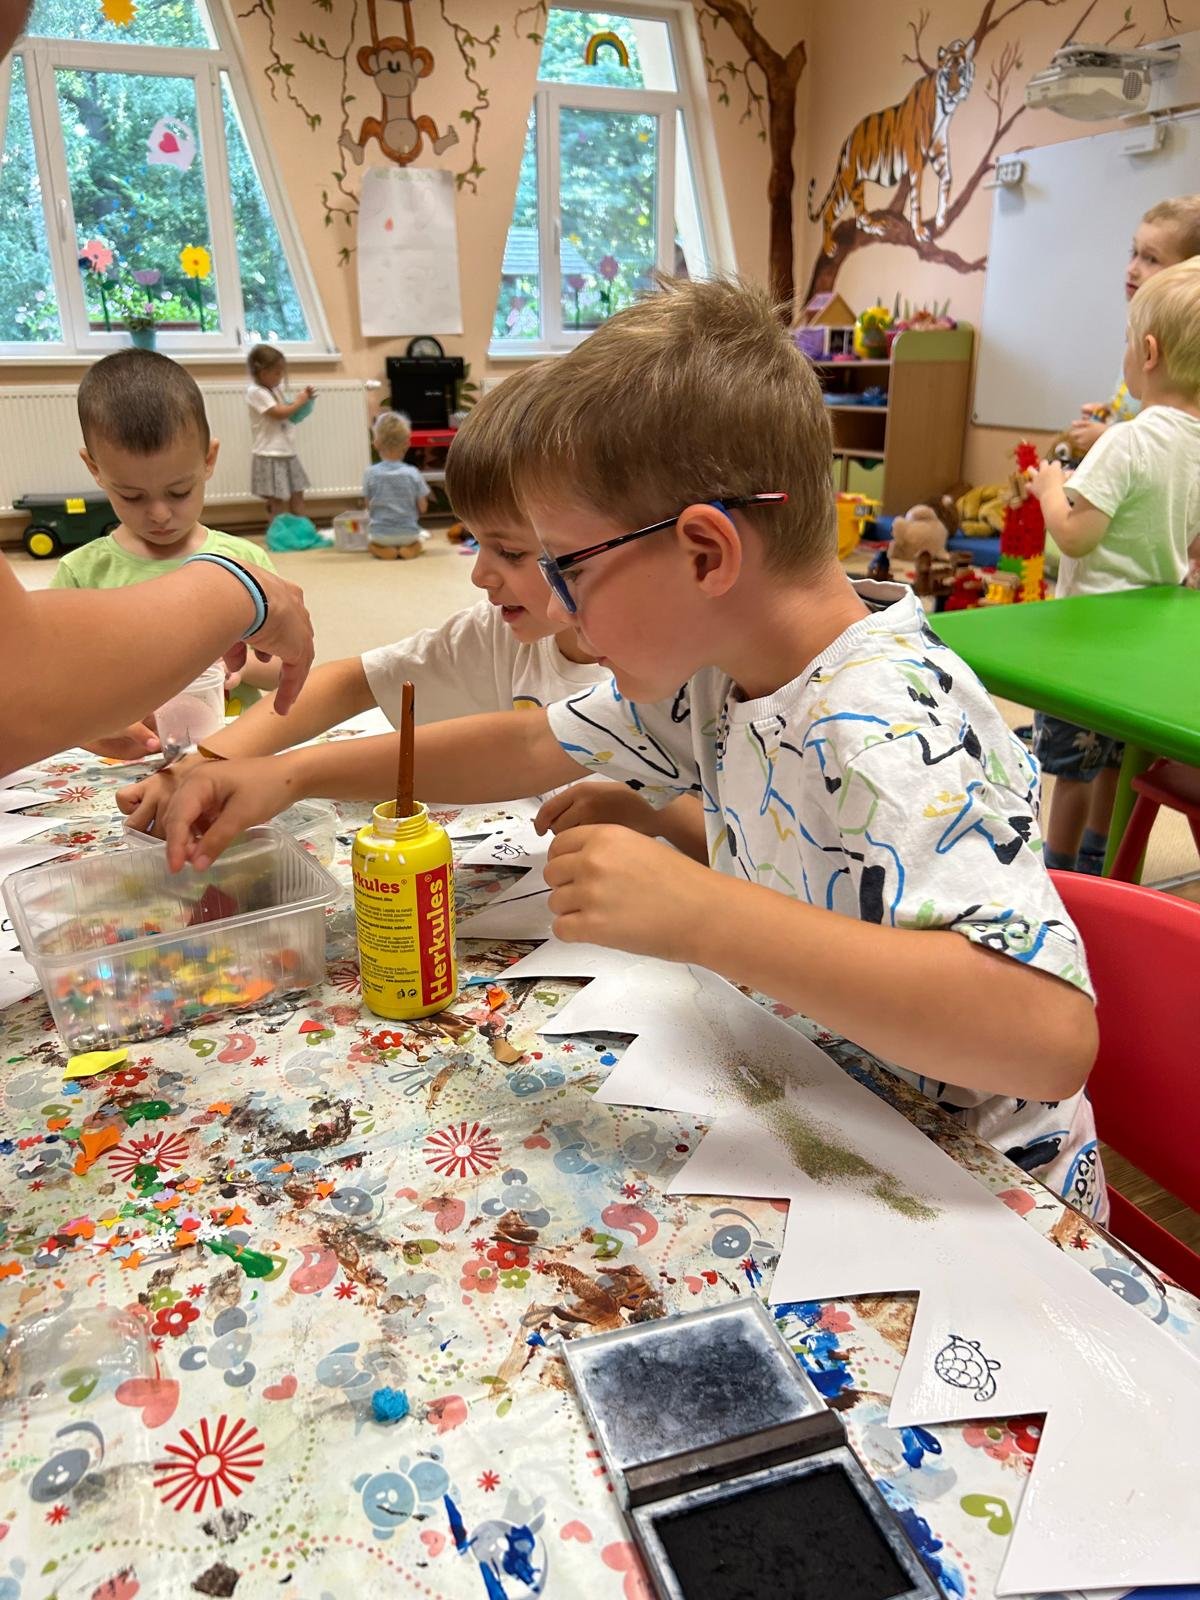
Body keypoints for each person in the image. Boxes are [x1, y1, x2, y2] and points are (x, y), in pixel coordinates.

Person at [121, 277, 1103, 1217]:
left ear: (705, 553)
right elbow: (526, 744)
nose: (553, 603)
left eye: (567, 567)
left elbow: (1049, 1037)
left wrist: (706, 915)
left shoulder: (886, 720)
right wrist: (285, 773)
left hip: (988, 1189)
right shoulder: (721, 671)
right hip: (845, 1110)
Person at [121, 367, 701, 849]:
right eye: (477, 543)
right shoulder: (507, 636)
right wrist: (210, 761)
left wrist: (656, 815)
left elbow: (534, 747)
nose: (478, 574)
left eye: (514, 552)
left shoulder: (685, 671)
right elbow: (516, 741)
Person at [1031, 257, 1200, 874]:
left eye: (1127, 342)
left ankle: (1059, 872)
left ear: (1147, 353)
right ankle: (1101, 863)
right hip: (1146, 640)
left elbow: (1075, 537)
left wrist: (1051, 489)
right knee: (1115, 763)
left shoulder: (1125, 440)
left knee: (1072, 770)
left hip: (1089, 642)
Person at [48, 349, 281, 757]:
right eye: (132, 496)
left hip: (232, 752)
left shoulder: (243, 563)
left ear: (208, 460)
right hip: (128, 761)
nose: (159, 514)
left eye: (179, 491)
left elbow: (283, 669)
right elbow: (54, 685)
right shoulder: (82, 573)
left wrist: (236, 664)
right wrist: (92, 722)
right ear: (95, 468)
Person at [1064, 195, 1200, 460]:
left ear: (1188, 273)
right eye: (1134, 253)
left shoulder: (1184, 355)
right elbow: (1137, 406)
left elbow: (1169, 447)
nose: (1132, 269)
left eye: (1151, 259)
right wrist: (1110, 414)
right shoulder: (1141, 331)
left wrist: (1107, 436)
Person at [246, 343, 314, 524]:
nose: (281, 377)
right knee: (276, 499)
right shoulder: (256, 392)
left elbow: (289, 411)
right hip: (270, 453)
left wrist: (304, 399)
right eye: (277, 373)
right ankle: (278, 531)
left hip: (287, 451)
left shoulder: (276, 389)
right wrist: (300, 402)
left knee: (298, 492)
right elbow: (278, 413)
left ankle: (302, 529)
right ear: (263, 373)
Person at [363, 411, 428, 560]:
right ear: (407, 443)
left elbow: (368, 506)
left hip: (380, 535)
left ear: (376, 444)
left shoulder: (370, 473)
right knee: (418, 541)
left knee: (370, 543)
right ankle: (410, 548)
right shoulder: (413, 473)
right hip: (409, 534)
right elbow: (423, 507)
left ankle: (383, 550)